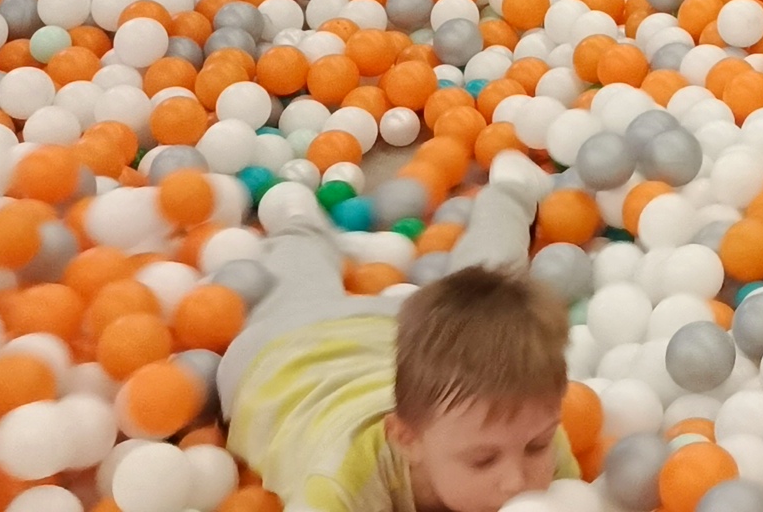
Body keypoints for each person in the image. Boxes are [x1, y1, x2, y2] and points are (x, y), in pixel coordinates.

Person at [222, 157, 576, 512]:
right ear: (407, 439)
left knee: (487, 290)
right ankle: (297, 217)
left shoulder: (526, 424)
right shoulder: (339, 479)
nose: (517, 481)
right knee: (297, 272)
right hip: (285, 349)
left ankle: (510, 189)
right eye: (483, 460)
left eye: (537, 446)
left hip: (392, 334)